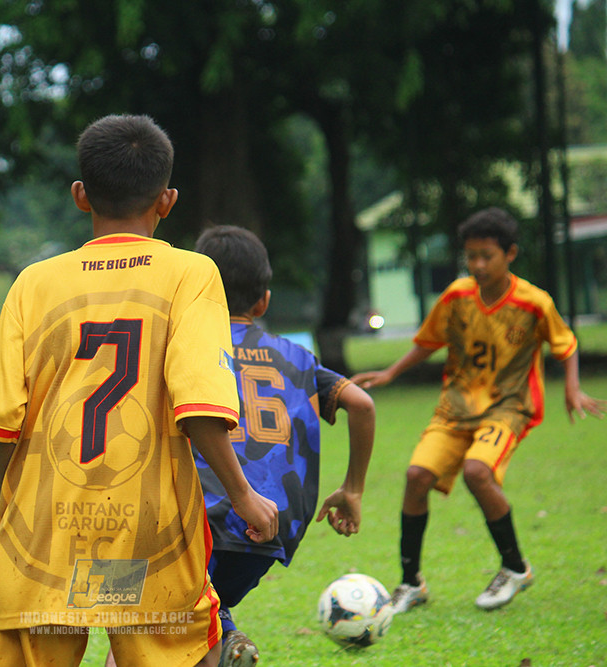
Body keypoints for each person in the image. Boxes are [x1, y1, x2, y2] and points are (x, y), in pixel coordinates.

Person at [0, 115, 279, 667]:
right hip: (145, 535)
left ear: (81, 195)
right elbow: (197, 406)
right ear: (167, 200)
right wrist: (243, 494)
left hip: (45, 538)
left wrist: (18, 503)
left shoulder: (34, 283)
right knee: (188, 652)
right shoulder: (191, 274)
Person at [352, 207, 606, 613]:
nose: (478, 264)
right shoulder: (456, 297)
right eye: (471, 256)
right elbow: (428, 340)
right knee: (417, 476)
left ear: (510, 254)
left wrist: (572, 389)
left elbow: (566, 343)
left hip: (508, 408)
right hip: (455, 408)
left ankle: (515, 567)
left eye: (487, 255)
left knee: (477, 471)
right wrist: (391, 372)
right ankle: (411, 582)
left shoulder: (534, 302)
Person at [192, 225, 376, 664]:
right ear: (264, 301)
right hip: (272, 531)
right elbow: (362, 405)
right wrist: (352, 489)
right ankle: (226, 635)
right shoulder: (297, 358)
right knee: (195, 618)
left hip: (205, 522)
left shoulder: (192, 350)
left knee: (147, 627)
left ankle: (223, 639)